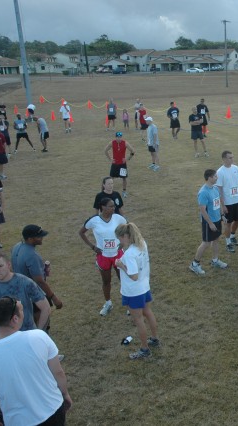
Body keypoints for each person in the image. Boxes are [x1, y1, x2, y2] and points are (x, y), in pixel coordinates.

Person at [0, 297, 71, 426]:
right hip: (54, 411)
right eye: (22, 310)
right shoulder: (39, 337)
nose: (23, 313)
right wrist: (65, 394)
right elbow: (58, 372)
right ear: (15, 319)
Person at [0, 252, 51, 341]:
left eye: (0, 266)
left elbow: (45, 308)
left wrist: (38, 333)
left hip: (27, 336)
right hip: (1, 339)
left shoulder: (25, 282)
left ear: (8, 265)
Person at [114, 223, 160, 360]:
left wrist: (120, 265)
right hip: (144, 286)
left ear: (125, 236)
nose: (119, 241)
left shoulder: (129, 255)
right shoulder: (142, 244)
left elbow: (133, 276)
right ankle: (155, 339)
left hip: (133, 291)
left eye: (119, 238)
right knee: (148, 312)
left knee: (138, 320)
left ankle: (144, 349)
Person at [79, 197, 127, 316]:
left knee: (124, 279)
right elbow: (81, 232)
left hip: (117, 254)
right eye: (110, 206)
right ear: (103, 207)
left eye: (113, 206)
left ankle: (128, 303)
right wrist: (93, 247)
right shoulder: (94, 221)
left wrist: (123, 242)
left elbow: (128, 229)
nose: (113, 208)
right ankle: (108, 303)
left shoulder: (118, 218)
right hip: (103, 256)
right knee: (106, 281)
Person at [11, 224, 63, 329]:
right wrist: (54, 298)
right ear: (30, 239)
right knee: (42, 324)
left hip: (19, 291)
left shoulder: (16, 247)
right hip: (33, 294)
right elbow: (40, 281)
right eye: (39, 236)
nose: (42, 238)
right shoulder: (32, 255)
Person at [189, 169, 228, 275]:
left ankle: (215, 260)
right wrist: (210, 223)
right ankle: (194, 264)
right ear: (210, 178)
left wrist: (222, 215)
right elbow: (202, 210)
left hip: (217, 220)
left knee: (216, 239)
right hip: (208, 222)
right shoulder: (203, 192)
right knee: (206, 243)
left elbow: (217, 203)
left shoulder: (215, 189)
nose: (217, 178)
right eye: (215, 176)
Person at [216, 150, 238, 253]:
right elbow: (219, 189)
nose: (232, 159)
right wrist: (223, 205)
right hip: (228, 202)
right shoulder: (220, 172)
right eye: (230, 158)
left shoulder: (236, 168)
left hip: (236, 200)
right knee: (228, 223)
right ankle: (228, 242)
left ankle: (232, 235)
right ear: (224, 159)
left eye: (232, 157)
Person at [105, 132, 135, 197]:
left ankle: (124, 191)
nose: (119, 138)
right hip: (115, 164)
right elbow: (105, 150)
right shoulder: (112, 143)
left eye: (120, 137)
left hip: (122, 164)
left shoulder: (125, 143)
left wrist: (127, 159)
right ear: (115, 137)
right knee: (111, 178)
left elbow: (133, 151)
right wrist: (110, 159)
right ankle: (109, 191)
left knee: (124, 178)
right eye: (118, 137)